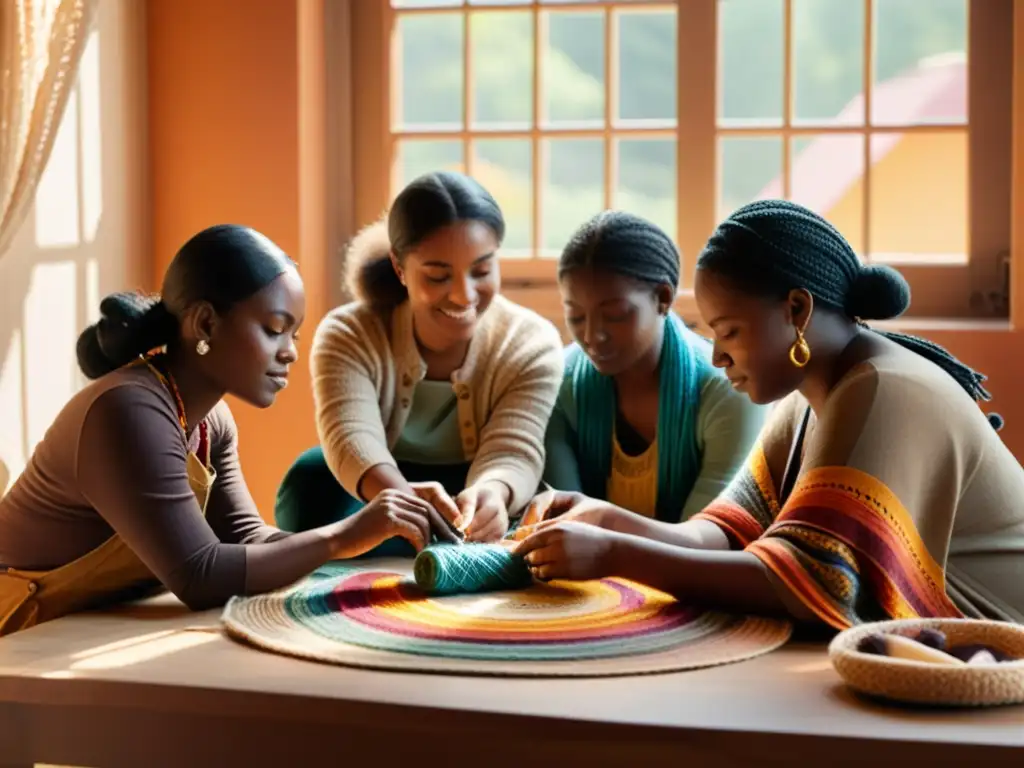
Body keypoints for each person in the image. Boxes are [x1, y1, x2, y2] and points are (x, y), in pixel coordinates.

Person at [515, 200, 1024, 628]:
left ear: (796, 311)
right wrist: (611, 521)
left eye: (729, 331)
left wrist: (614, 554)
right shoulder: (809, 393)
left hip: (1000, 641)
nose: (717, 356)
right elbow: (728, 533)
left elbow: (809, 582)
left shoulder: (881, 390)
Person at [0, 225, 457, 636]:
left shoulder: (208, 421)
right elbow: (200, 576)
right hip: (20, 625)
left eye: (294, 336)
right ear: (205, 323)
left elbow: (249, 540)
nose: (290, 354)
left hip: (84, 619)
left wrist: (375, 528)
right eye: (275, 329)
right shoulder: (126, 410)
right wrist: (344, 535)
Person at [274, 171, 564, 551]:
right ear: (399, 268)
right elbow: (350, 437)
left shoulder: (530, 342)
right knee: (309, 483)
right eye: (438, 276)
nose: (463, 295)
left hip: (478, 491)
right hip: (384, 489)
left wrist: (495, 492)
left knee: (551, 492)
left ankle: (446, 545)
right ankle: (450, 550)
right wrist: (403, 501)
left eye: (481, 271)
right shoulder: (349, 333)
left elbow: (514, 447)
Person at [543, 210, 766, 523]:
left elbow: (705, 537)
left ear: (663, 297)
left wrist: (601, 534)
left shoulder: (726, 389)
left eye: (616, 314)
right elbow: (561, 520)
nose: (592, 335)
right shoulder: (557, 382)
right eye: (576, 316)